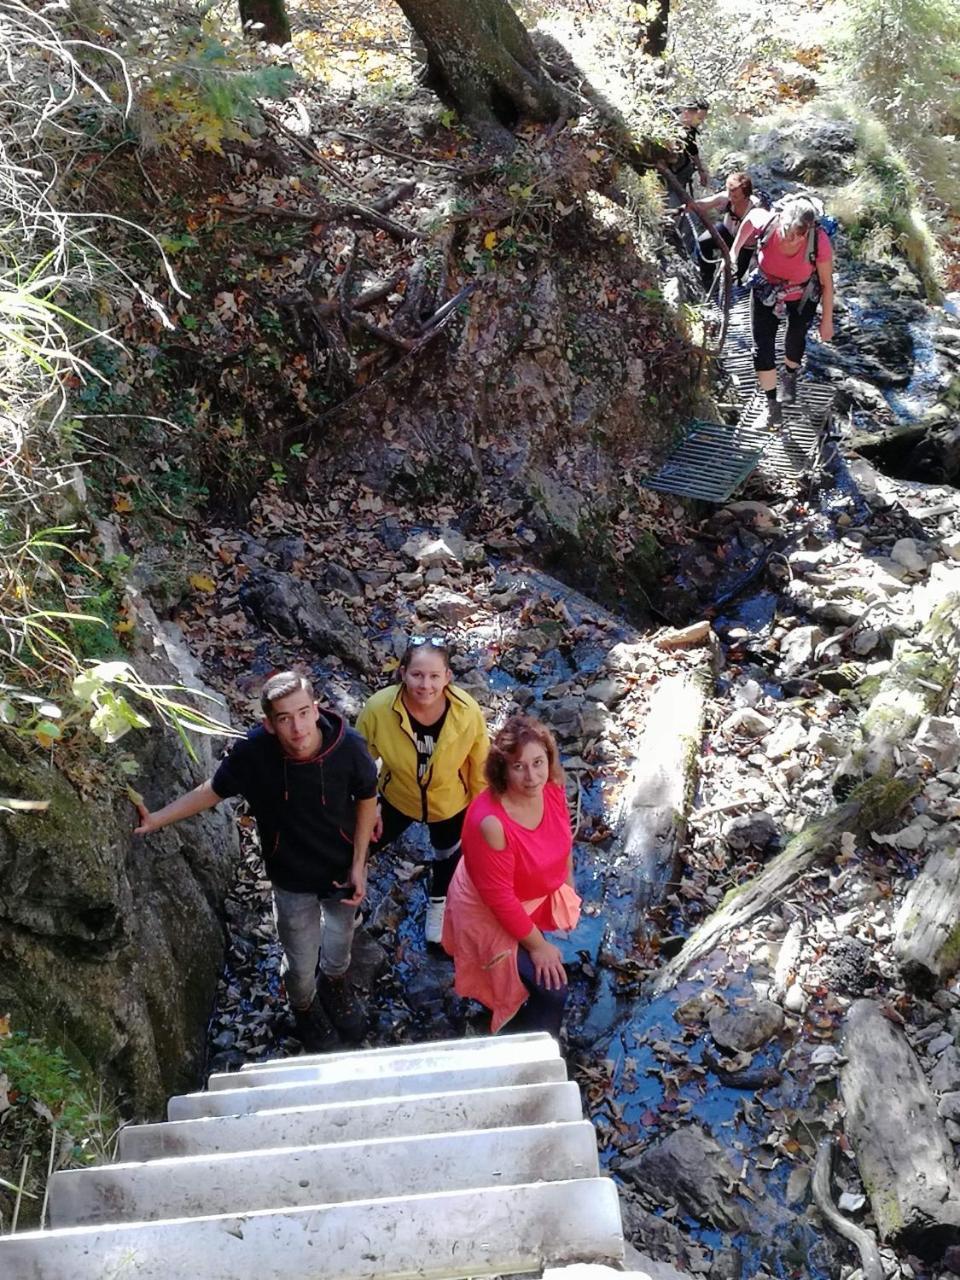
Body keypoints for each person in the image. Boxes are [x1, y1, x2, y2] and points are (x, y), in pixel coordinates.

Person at [134, 670, 379, 1052]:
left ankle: (334, 984)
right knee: (299, 965)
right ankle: (304, 1004)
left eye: (302, 713)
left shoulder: (347, 746)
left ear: (316, 710)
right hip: (291, 876)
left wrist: (359, 862)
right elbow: (213, 791)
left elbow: (367, 796)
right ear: (269, 723)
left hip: (340, 871)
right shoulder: (255, 753)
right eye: (284, 718)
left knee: (339, 944)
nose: (297, 728)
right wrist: (157, 819)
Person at [442, 715, 581, 1038]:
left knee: (540, 978)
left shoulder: (552, 788)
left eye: (538, 762)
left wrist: (567, 885)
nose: (532, 776)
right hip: (487, 910)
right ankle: (534, 1056)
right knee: (553, 991)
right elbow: (499, 899)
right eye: (519, 766)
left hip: (527, 894)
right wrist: (538, 948)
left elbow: (564, 838)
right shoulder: (493, 823)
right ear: (502, 770)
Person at [356, 637, 489, 945]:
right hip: (396, 797)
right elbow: (360, 763)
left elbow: (480, 766)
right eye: (417, 674)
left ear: (448, 677)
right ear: (403, 673)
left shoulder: (466, 712)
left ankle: (438, 903)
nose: (425, 684)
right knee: (358, 845)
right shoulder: (379, 708)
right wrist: (369, 803)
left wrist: (480, 815)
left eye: (433, 676)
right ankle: (350, 901)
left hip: (449, 803)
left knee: (447, 855)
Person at [729, 193, 835, 428]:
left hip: (803, 293)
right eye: (788, 234)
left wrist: (827, 320)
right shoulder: (766, 221)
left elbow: (828, 284)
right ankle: (772, 408)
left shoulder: (819, 242)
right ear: (780, 222)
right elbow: (748, 221)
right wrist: (734, 252)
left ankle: (789, 376)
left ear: (807, 231)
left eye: (799, 236)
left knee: (795, 339)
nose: (793, 241)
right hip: (766, 288)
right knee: (762, 348)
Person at [686, 171, 762, 288]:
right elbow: (702, 204)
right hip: (726, 232)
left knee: (736, 276)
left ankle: (732, 289)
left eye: (735, 196)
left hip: (745, 245)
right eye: (729, 193)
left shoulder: (756, 208)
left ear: (746, 195)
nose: (731, 198)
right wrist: (683, 209)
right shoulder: (726, 197)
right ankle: (707, 278)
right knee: (703, 242)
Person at [665, 100, 710, 196]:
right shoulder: (666, 125)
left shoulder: (689, 129)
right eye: (699, 118)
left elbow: (692, 149)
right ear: (687, 113)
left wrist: (701, 171)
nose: (701, 122)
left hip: (679, 177)